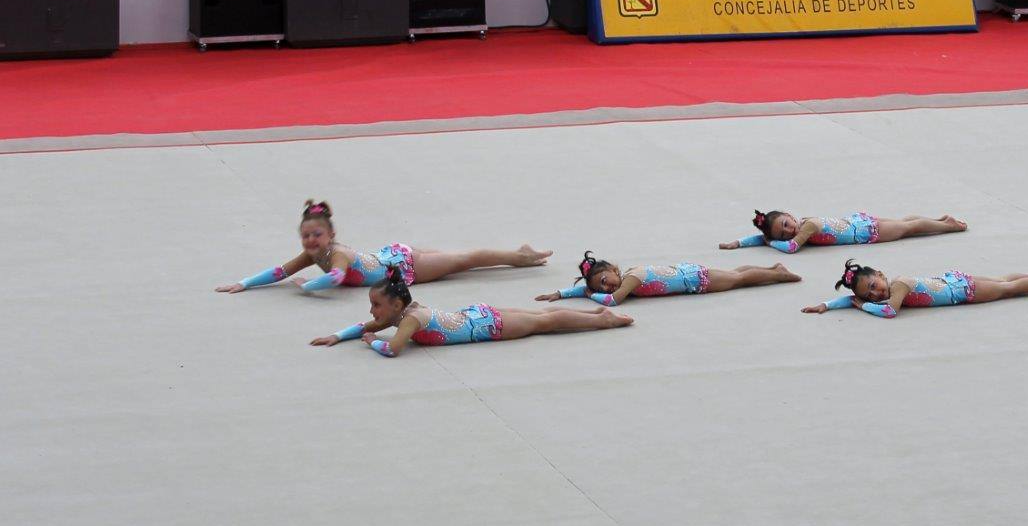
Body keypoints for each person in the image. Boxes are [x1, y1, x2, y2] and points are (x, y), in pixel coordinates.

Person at [215, 199, 552, 294]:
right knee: (458, 259)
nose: (311, 241)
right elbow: (280, 271)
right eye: (306, 236)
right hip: (390, 255)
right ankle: (518, 254)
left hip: (402, 266)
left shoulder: (338, 254)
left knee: (465, 260)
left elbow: (335, 278)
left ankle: (520, 256)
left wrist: (307, 286)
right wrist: (244, 283)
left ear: (331, 235)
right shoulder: (311, 254)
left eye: (317, 235)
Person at [311, 267, 633, 357]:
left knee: (544, 322)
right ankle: (595, 316)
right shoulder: (401, 313)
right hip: (478, 316)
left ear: (395, 305)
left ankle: (602, 320)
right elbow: (365, 325)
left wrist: (372, 342)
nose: (372, 311)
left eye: (376, 305)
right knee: (538, 318)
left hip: (486, 326)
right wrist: (336, 336)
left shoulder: (409, 320)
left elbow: (393, 349)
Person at [801, 259, 1028, 318]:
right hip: (955, 281)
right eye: (868, 294)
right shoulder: (888, 288)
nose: (874, 294)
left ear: (881, 275)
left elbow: (890, 311)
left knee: (1008, 288)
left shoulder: (899, 286)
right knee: (1002, 279)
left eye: (873, 286)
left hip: (962, 292)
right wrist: (825, 306)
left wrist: (865, 306)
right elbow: (852, 300)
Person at [536, 250, 800, 306]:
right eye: (600, 287)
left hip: (695, 280)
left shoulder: (631, 279)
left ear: (614, 270)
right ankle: (772, 267)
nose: (606, 287)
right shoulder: (625, 276)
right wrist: (561, 293)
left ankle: (777, 274)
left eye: (604, 280)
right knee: (734, 274)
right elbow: (595, 290)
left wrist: (591, 294)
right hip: (690, 274)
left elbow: (614, 301)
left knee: (737, 280)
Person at [720, 208, 966, 253]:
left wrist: (771, 242)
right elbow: (767, 237)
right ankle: (939, 220)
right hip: (859, 224)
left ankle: (947, 226)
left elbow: (792, 248)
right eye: (783, 233)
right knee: (904, 224)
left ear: (789, 215)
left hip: (867, 231)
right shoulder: (801, 226)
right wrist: (739, 243)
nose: (789, 231)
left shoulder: (807, 227)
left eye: (786, 224)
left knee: (908, 228)